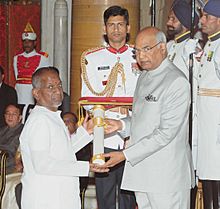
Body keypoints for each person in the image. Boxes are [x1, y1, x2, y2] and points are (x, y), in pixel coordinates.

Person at [102, 27, 194, 209]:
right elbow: (142, 120)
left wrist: (124, 155)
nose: (141, 56)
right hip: (143, 173)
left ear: (162, 48)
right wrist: (120, 125)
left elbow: (165, 133)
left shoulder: (176, 82)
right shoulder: (144, 76)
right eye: (137, 51)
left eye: (146, 49)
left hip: (166, 177)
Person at [19, 66, 108, 209]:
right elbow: (43, 164)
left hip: (57, 196)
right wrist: (86, 167)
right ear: (36, 93)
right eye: (50, 86)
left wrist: (86, 132)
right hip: (46, 199)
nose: (57, 89)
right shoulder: (39, 121)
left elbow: (62, 151)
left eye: (59, 85)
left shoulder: (51, 116)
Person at [81, 5, 138, 209]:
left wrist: (129, 113)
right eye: (111, 25)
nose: (116, 30)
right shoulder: (92, 59)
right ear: (104, 29)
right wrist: (114, 112)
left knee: (129, 197)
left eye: (120, 25)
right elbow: (88, 101)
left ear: (128, 27)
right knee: (104, 197)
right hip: (104, 137)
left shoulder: (139, 56)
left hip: (133, 137)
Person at [166, 1, 201, 208]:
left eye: (174, 18)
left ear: (186, 22)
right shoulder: (170, 47)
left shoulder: (192, 48)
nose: (169, 22)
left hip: (186, 115)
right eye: (169, 17)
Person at [197, 1, 220, 209]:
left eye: (207, 17)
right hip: (207, 123)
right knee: (209, 175)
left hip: (216, 125)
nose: (201, 21)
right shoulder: (210, 44)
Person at [13, 22, 50, 105]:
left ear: (35, 43)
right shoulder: (16, 58)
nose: (26, 44)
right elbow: (17, 76)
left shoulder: (43, 57)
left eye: (29, 41)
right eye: (24, 41)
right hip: (20, 92)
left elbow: (44, 78)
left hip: (34, 92)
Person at [62, 112, 92, 205]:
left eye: (69, 121)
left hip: (78, 178)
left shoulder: (84, 141)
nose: (66, 123)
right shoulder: (57, 139)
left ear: (75, 125)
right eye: (63, 121)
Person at [0, 104, 23, 174]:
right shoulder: (2, 130)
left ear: (20, 118)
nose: (10, 116)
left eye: (14, 114)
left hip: (9, 165)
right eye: (8, 113)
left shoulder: (24, 132)